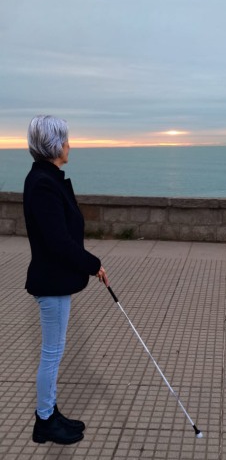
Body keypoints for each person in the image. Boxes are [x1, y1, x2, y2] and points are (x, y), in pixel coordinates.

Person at [23, 115, 109, 445]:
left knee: (54, 351)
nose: (70, 145)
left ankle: (50, 412)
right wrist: (93, 263)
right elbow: (58, 241)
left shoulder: (46, 179)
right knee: (52, 353)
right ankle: (44, 421)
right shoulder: (44, 184)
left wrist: (89, 263)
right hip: (51, 282)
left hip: (56, 280)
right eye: (67, 140)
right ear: (55, 145)